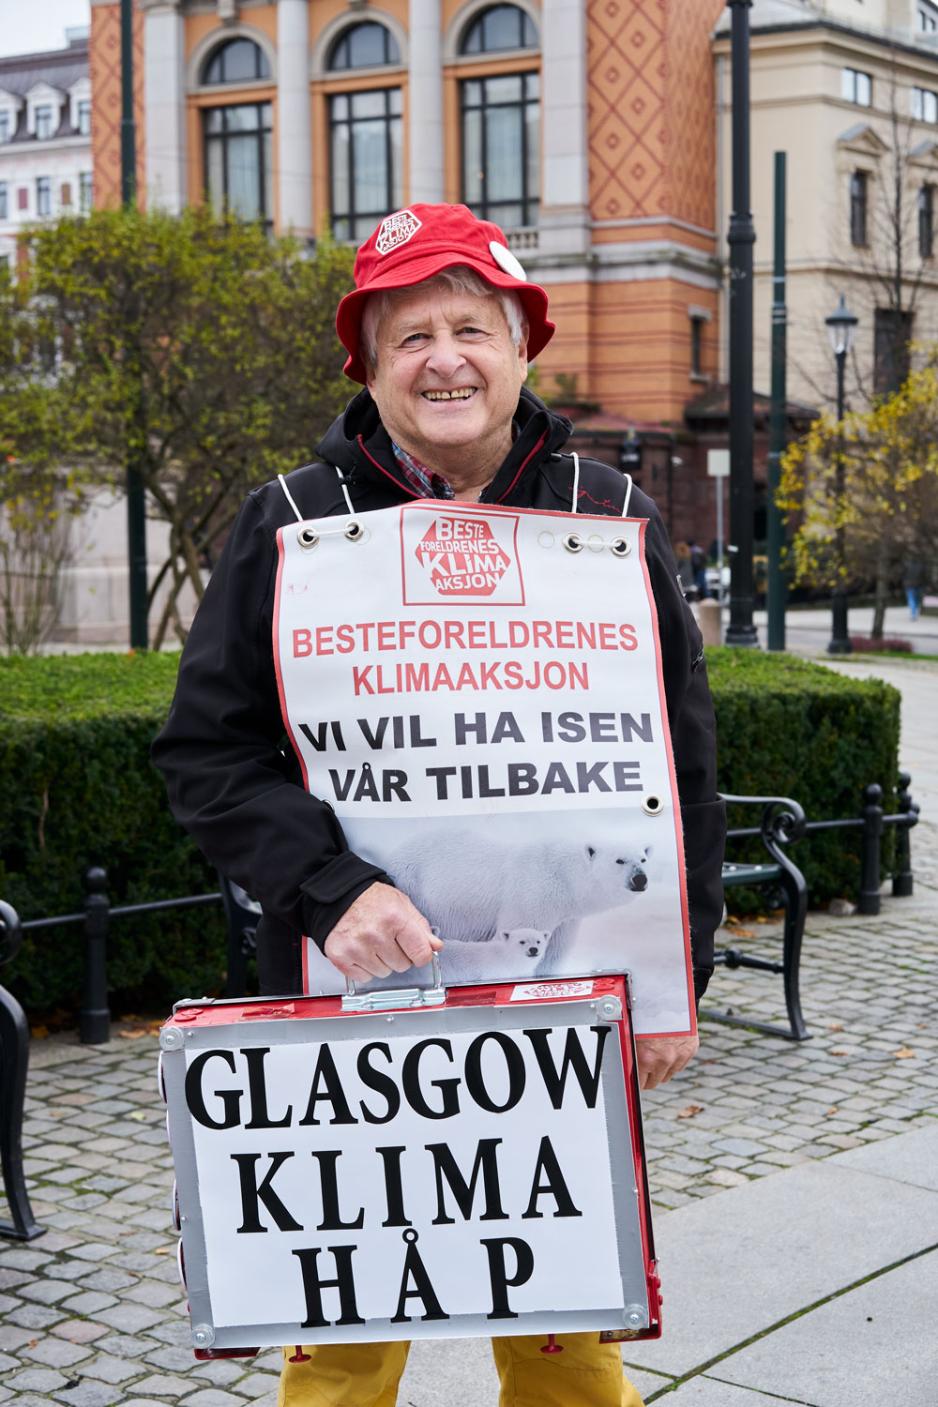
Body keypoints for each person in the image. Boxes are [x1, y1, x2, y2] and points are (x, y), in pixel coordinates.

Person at [152, 203, 726, 1407]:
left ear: (524, 347)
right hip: (348, 998)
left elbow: (676, 761)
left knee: (568, 1321)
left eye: (471, 327)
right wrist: (330, 887)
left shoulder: (609, 517)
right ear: (367, 367)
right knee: (348, 1331)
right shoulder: (291, 522)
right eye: (407, 335)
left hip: (563, 1005)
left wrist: (676, 981)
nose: (443, 358)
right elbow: (207, 753)